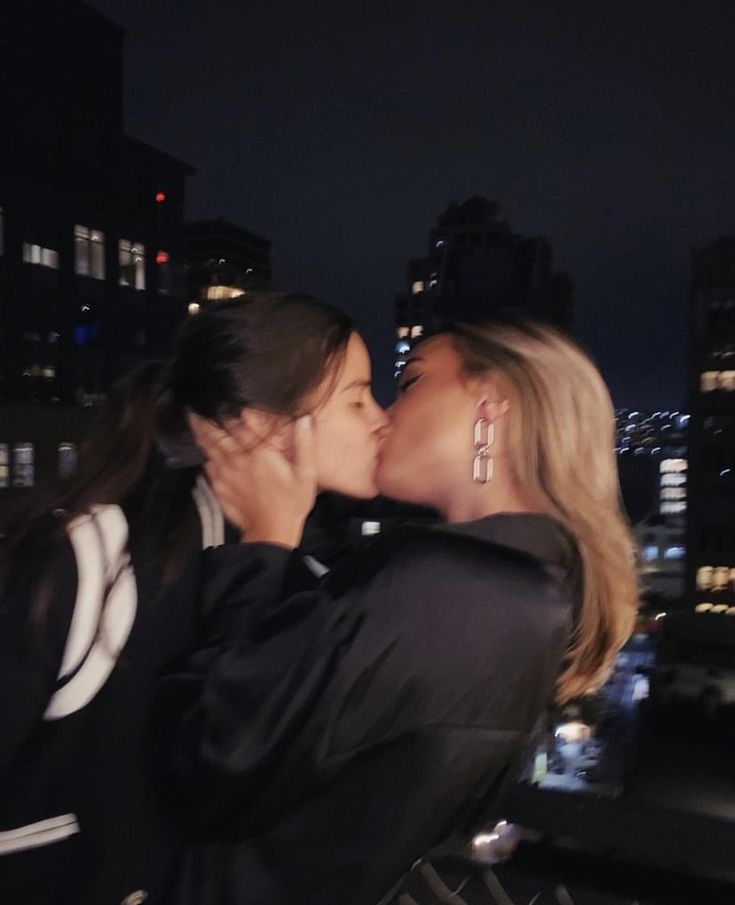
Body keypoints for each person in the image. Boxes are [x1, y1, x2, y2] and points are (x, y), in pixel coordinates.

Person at [156, 318, 640, 905]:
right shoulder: (534, 595)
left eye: (409, 383)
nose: (385, 414)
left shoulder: (443, 583)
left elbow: (204, 757)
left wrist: (266, 539)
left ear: (490, 404)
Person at [0, 293, 387, 905]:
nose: (380, 419)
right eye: (358, 398)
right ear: (264, 425)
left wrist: (273, 540)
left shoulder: (305, 575)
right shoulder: (96, 557)